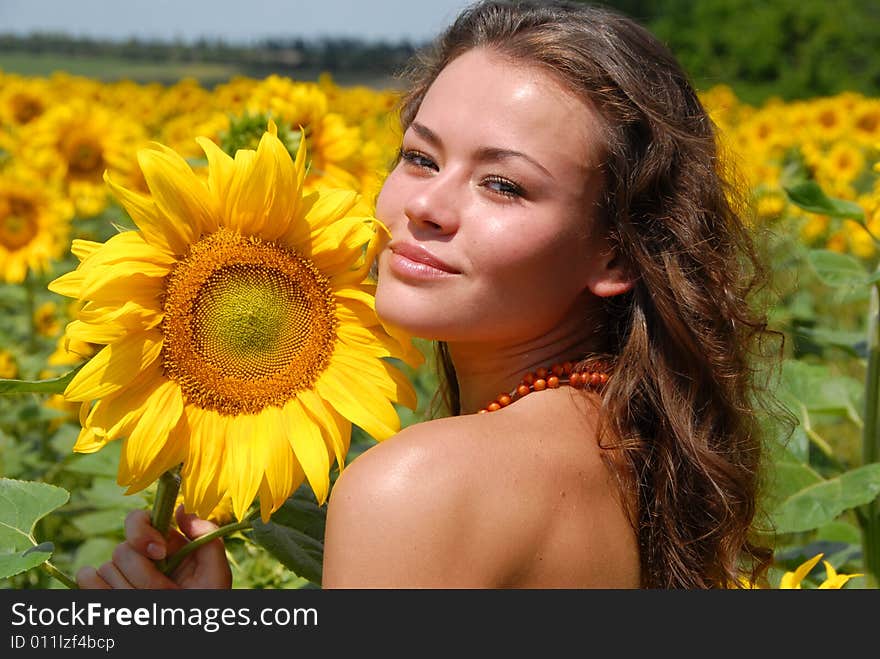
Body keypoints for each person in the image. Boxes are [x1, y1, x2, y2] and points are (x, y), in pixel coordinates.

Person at [76, 0, 782, 590]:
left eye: (503, 184)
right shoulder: (638, 455)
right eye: (421, 157)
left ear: (616, 252)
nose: (428, 206)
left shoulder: (417, 485)